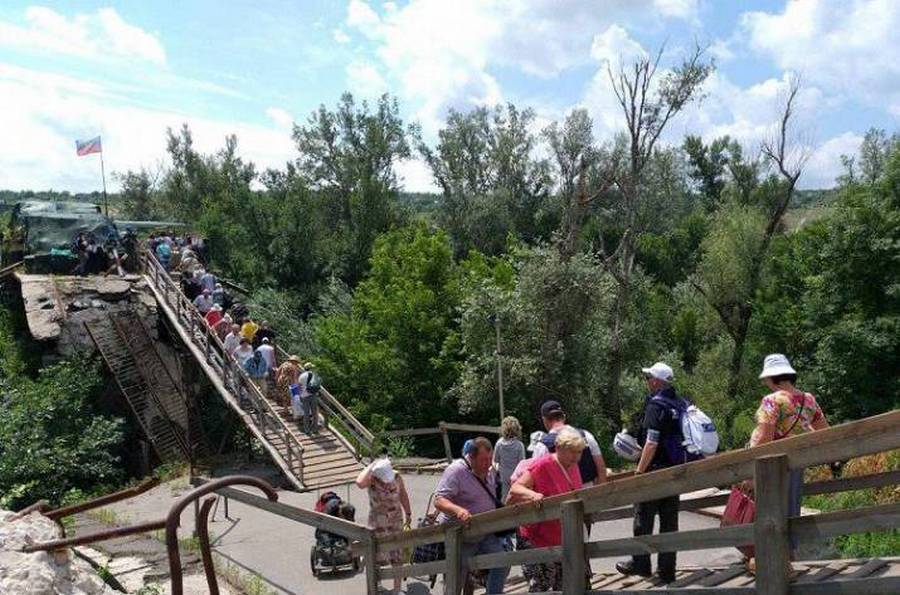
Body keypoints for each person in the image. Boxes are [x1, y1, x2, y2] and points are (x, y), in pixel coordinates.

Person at [749, 353, 829, 556]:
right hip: (797, 463)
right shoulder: (808, 399)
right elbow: (825, 432)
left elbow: (764, 438)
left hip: (772, 464)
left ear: (771, 377)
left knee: (769, 511)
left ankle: (772, 560)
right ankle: (788, 557)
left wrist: (749, 468)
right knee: (791, 509)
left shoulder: (771, 401)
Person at [616, 362, 683, 583]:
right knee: (669, 523)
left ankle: (641, 564)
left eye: (648, 378)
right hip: (674, 470)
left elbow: (652, 442)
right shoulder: (679, 403)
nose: (647, 382)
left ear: (656, 381)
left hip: (654, 471)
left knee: (643, 518)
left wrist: (639, 471)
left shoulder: (656, 405)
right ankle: (667, 571)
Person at [508, 427, 586, 592]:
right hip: (537, 537)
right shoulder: (543, 465)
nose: (576, 456)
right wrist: (532, 494)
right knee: (541, 585)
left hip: (562, 535)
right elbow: (516, 488)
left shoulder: (574, 466)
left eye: (579, 452)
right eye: (572, 451)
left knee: (567, 584)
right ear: (558, 448)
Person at [433, 436, 510, 594]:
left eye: (490, 459)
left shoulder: (489, 470)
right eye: (483, 460)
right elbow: (439, 500)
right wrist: (458, 510)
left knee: (502, 561)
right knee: (456, 579)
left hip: (485, 532)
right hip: (461, 536)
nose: (488, 464)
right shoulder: (456, 471)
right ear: (471, 457)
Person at [355, 458, 412, 595]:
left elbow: (403, 494)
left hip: (396, 520)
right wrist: (372, 465)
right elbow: (359, 482)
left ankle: (397, 589)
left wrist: (408, 512)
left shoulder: (396, 476)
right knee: (376, 553)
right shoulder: (372, 479)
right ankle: (376, 584)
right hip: (377, 522)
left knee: (397, 554)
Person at [532, 401, 607, 486]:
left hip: (560, 495)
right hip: (589, 490)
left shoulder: (542, 445)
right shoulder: (585, 435)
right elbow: (601, 467)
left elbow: (535, 476)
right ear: (563, 417)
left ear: (544, 420)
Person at [493, 416, 526, 500]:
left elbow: (495, 460)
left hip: (504, 476)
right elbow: (522, 463)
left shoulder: (499, 443)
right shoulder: (519, 445)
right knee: (517, 497)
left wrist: (498, 470)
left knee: (505, 497)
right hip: (516, 476)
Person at [294, 364, 320, 434]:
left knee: (306, 413)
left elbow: (299, 386)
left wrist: (300, 394)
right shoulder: (315, 374)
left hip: (304, 396)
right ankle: (315, 429)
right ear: (311, 368)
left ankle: (307, 430)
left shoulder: (301, 376)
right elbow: (318, 385)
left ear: (305, 368)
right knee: (315, 413)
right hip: (313, 395)